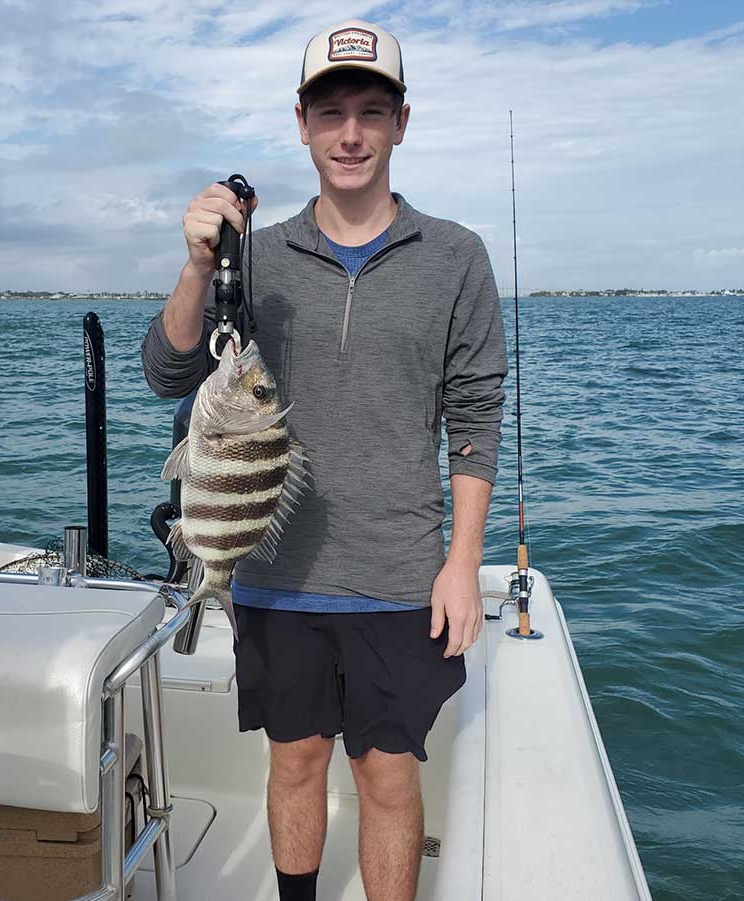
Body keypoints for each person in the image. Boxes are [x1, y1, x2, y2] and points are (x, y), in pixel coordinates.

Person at [143, 19, 507, 901]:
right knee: (295, 759)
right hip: (273, 567)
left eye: (371, 112)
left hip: (397, 573)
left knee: (388, 776)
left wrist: (462, 564)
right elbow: (167, 373)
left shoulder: (456, 256)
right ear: (302, 123)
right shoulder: (252, 259)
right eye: (332, 111)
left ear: (401, 123)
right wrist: (197, 266)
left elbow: (476, 419)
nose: (351, 133)